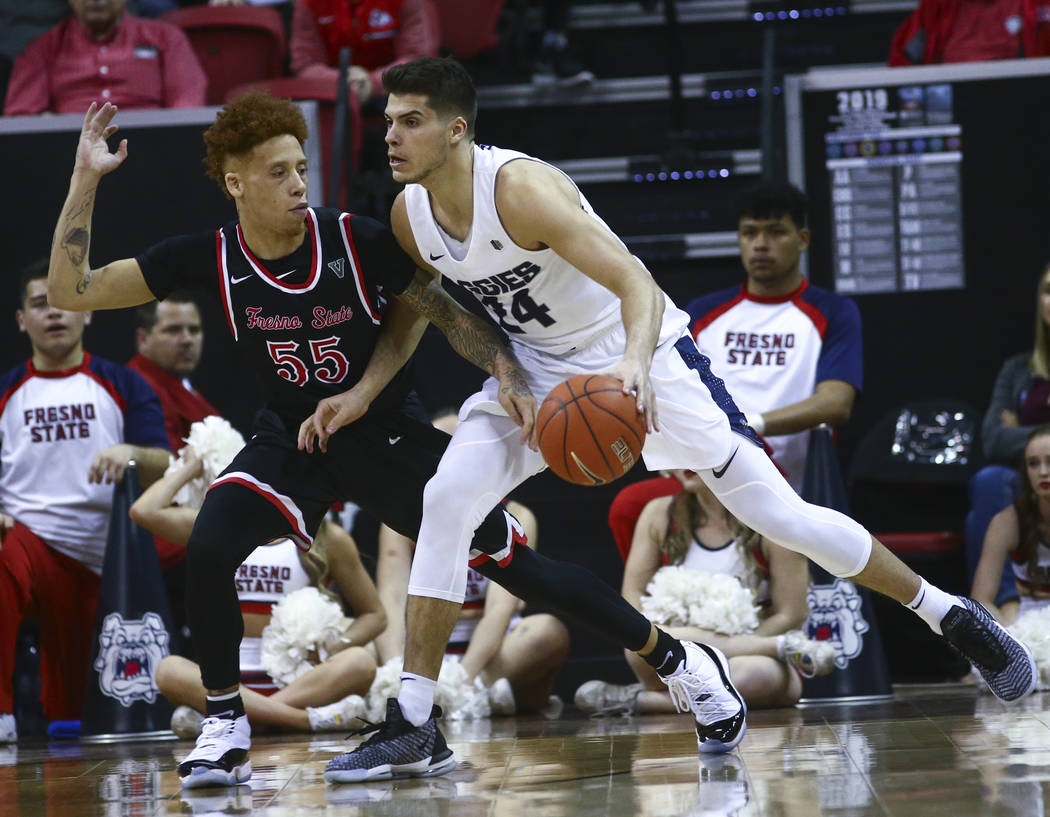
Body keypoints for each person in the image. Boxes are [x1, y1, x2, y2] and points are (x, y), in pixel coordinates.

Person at [314, 56, 1037, 782]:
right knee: (445, 498)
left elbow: (636, 281)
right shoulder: (411, 214)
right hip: (536, 373)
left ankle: (949, 614)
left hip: (642, 357)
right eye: (387, 123)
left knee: (785, 516)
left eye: (410, 121)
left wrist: (631, 363)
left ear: (455, 129)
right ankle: (414, 723)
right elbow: (421, 312)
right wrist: (384, 388)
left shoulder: (521, 190)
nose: (392, 138)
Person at [47, 95, 687, 789]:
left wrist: (505, 369)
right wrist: (85, 179)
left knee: (519, 567)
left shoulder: (354, 238)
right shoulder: (210, 257)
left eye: (301, 167)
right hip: (295, 437)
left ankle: (674, 656)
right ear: (236, 183)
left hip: (384, 434)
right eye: (278, 172)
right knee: (210, 543)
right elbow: (72, 289)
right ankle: (226, 724)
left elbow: (447, 313)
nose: (298, 184)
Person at [607, 181, 862, 557]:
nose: (760, 244)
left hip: (787, 474)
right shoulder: (705, 311)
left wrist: (750, 425)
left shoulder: (833, 312)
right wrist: (677, 456)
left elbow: (836, 403)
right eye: (749, 233)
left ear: (803, 239)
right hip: (707, 465)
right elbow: (669, 388)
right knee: (629, 506)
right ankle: (648, 613)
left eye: (775, 232)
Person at [0, 260, 170, 745]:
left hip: (107, 556)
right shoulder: (7, 390)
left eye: (62, 302)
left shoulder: (124, 384)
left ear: (87, 312)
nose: (53, 314)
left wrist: (130, 452)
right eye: (39, 304)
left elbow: (165, 461)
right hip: (28, 542)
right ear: (21, 320)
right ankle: (1, 710)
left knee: (72, 722)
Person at [129, 449, 386, 734]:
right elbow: (144, 511)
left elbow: (375, 614)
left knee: (361, 662)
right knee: (167, 670)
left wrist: (333, 645)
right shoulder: (217, 525)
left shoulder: (330, 538)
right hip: (227, 677)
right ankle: (304, 720)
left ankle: (236, 720)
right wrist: (193, 465)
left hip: (300, 679)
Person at [577, 468, 835, 715]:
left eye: (695, 452)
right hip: (674, 659)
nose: (685, 463)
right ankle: (782, 647)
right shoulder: (658, 514)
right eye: (678, 453)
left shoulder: (772, 518)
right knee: (636, 646)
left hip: (749, 658)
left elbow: (791, 613)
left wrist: (736, 646)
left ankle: (641, 701)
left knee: (755, 675)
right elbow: (633, 596)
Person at [375, 411, 570, 716]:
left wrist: (461, 680)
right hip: (418, 646)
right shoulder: (399, 519)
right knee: (359, 653)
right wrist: (391, 672)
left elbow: (500, 610)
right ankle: (468, 697)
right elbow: (391, 596)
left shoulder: (518, 514)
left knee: (547, 631)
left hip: (487, 653)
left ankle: (470, 694)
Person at [966, 264, 1050, 620]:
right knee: (990, 481)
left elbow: (1008, 437)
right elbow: (993, 439)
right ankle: (1005, 609)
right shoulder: (1017, 370)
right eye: (1047, 290)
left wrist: (1026, 428)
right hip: (1028, 480)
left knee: (976, 521)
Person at [4, 0, 207, 116]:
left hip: (155, 153)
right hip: (69, 162)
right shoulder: (42, 49)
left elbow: (186, 111)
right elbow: (22, 119)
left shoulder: (166, 38)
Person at [290, 0, 438, 109]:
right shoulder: (308, 3)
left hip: (395, 92)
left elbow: (419, 60)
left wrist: (373, 83)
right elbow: (304, 65)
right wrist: (344, 82)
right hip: (332, 97)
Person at [972, 426, 1050, 624]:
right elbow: (981, 599)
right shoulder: (1008, 522)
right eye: (1033, 464)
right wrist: (1011, 636)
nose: (1043, 472)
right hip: (1029, 623)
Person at [888, 0, 1050, 66]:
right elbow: (903, 63)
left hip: (1022, 103)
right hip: (955, 103)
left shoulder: (1039, 6)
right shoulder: (934, 7)